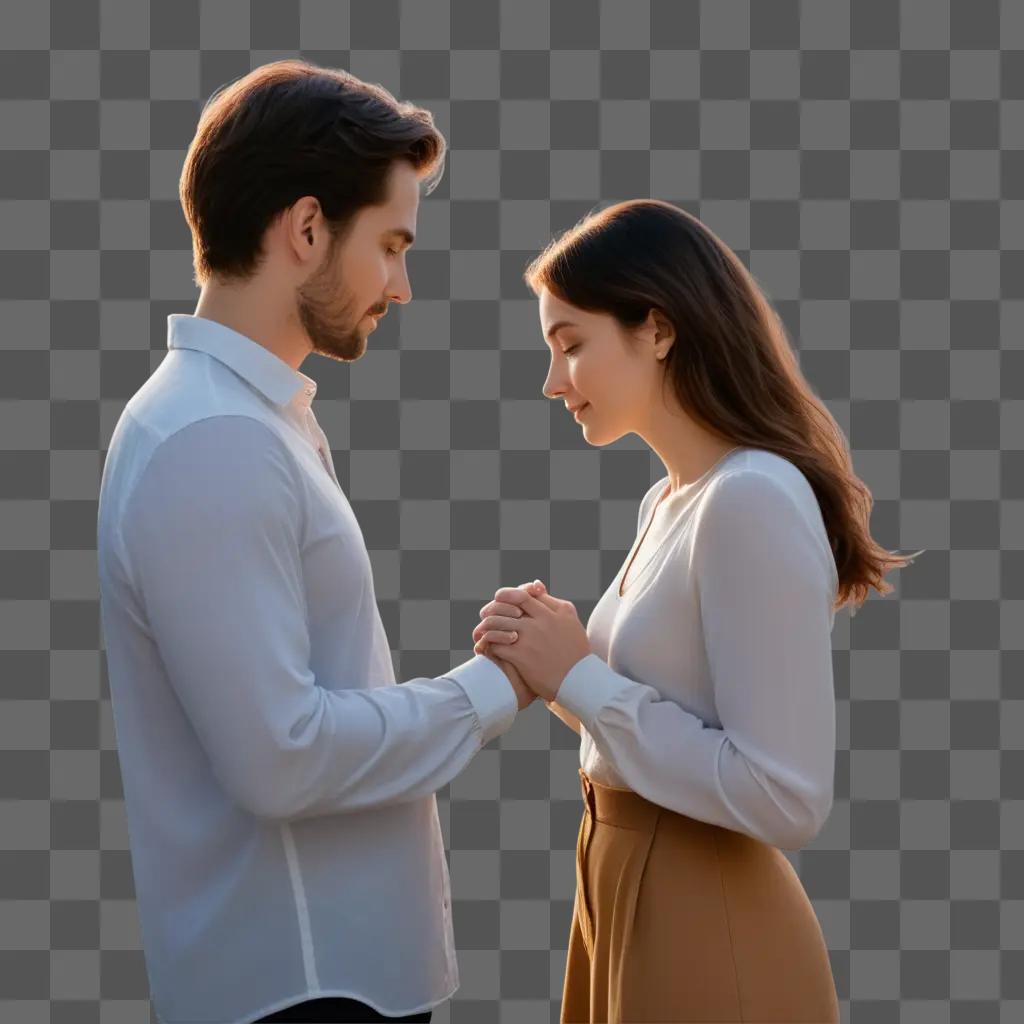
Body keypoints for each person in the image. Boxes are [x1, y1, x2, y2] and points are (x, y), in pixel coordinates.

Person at [95, 60, 538, 1024]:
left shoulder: (252, 419)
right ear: (304, 230)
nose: (403, 286)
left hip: (329, 976)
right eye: (389, 245)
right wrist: (490, 691)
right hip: (303, 987)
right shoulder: (213, 439)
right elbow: (280, 759)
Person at [472, 199, 926, 1023]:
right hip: (615, 891)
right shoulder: (669, 501)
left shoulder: (750, 499)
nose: (552, 381)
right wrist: (554, 661)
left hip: (701, 916)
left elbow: (787, 796)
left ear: (658, 328)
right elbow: (658, 723)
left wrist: (580, 676)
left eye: (572, 344)